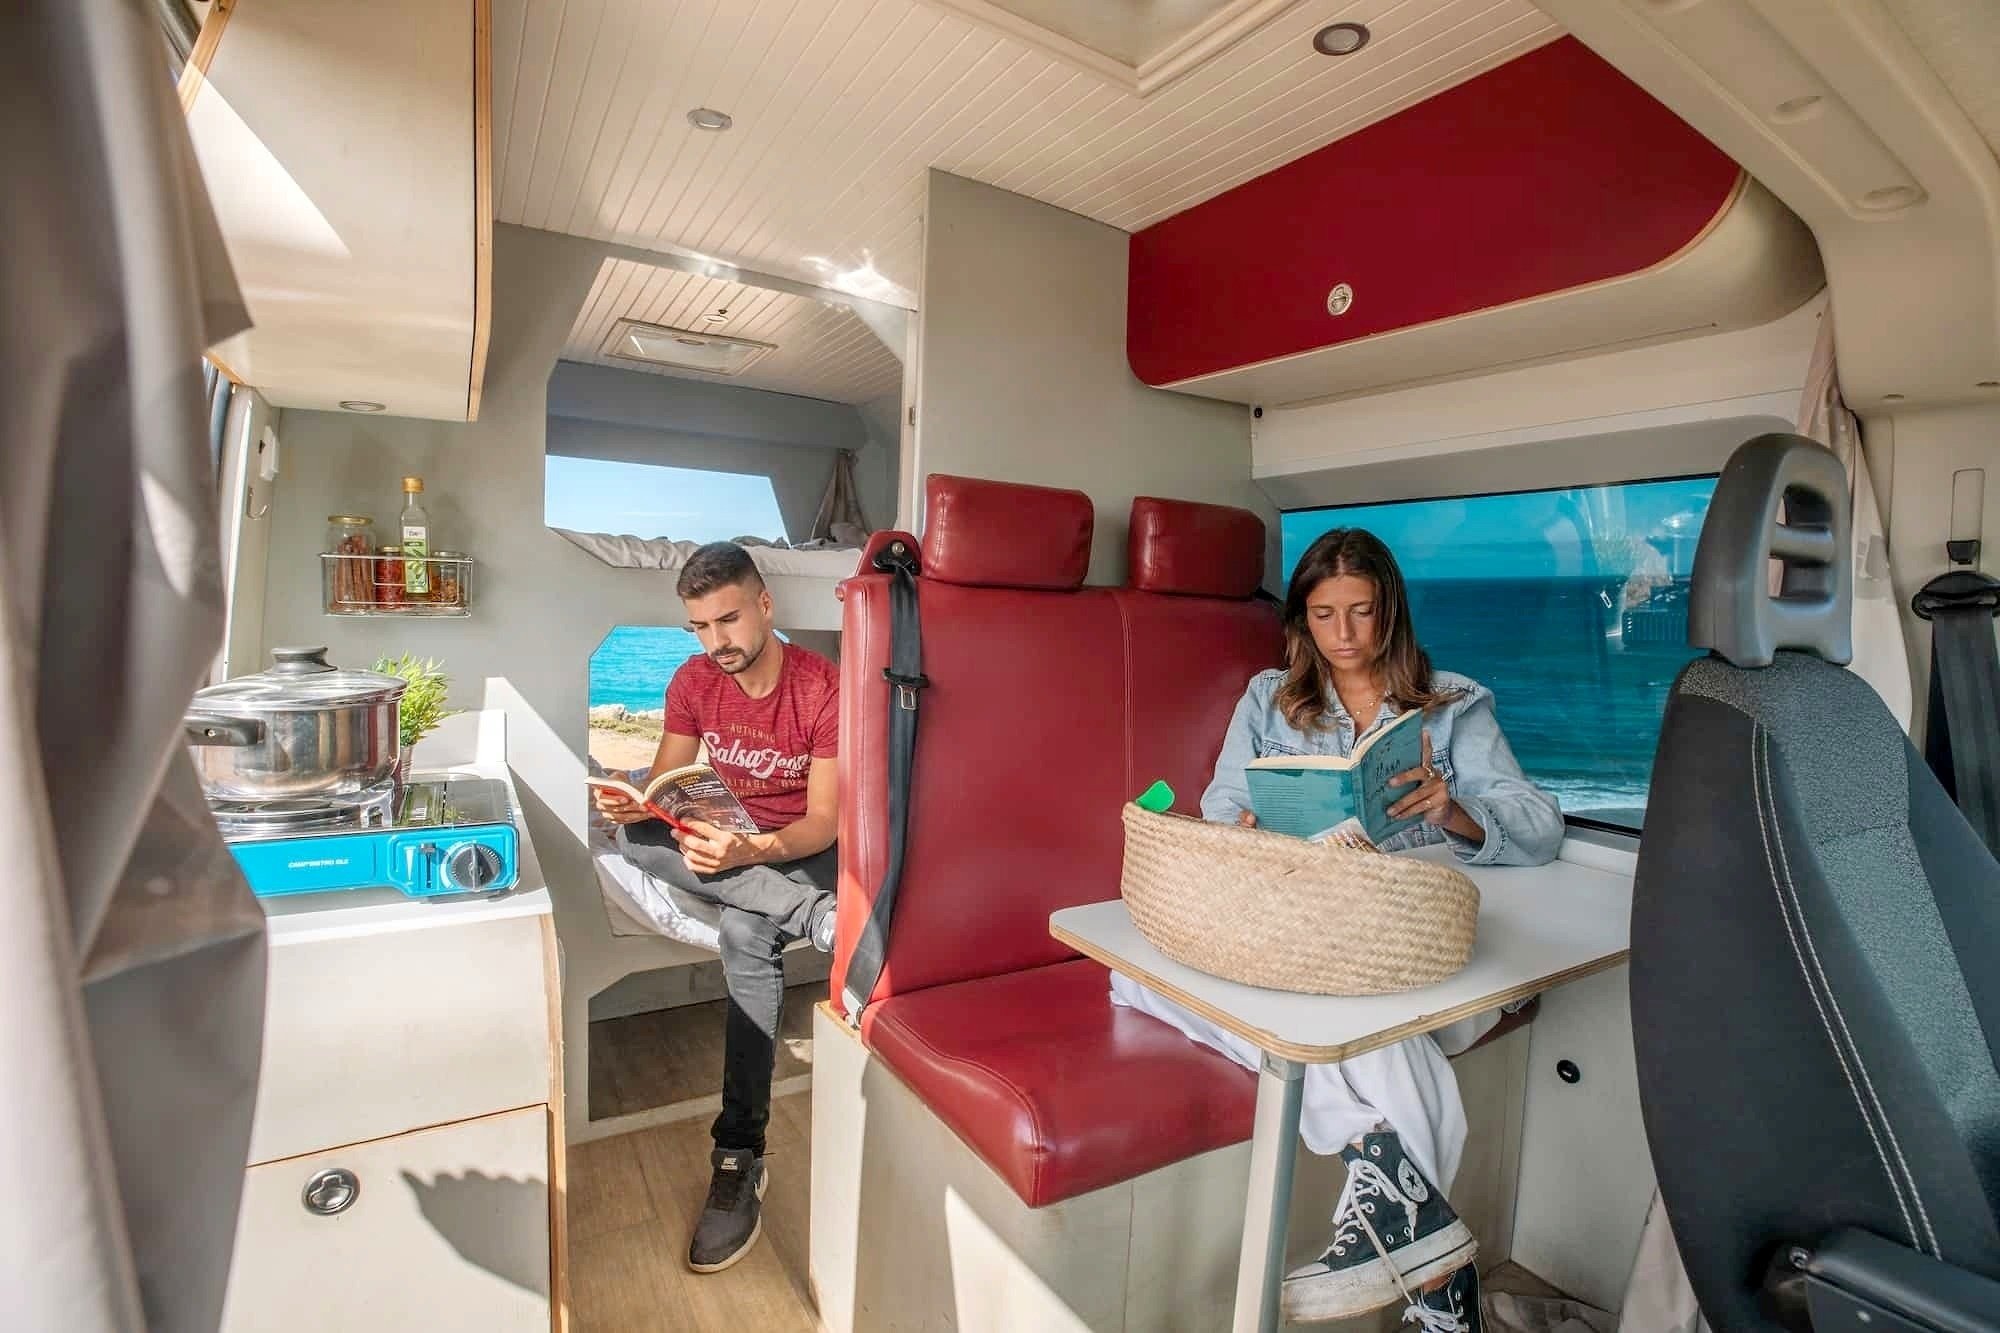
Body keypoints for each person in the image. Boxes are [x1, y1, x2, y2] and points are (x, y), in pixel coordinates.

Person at [1111, 527, 1563, 1332]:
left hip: (1417, 950)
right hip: (1310, 932)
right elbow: (1221, 804)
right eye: (1325, 615)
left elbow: (1540, 824)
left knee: (1357, 1023)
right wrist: (1247, 827)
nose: (1345, 634)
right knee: (1135, 972)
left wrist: (1455, 810)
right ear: (1302, 621)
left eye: (1362, 611)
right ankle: (1426, 1258)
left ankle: (1421, 1259)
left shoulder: (1454, 705)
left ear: (1392, 611)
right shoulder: (1268, 700)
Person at [594, 541, 840, 1274]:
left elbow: (823, 824)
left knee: (743, 929)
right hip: (738, 846)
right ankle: (814, 917)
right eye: (699, 626)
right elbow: (665, 789)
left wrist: (749, 852)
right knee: (634, 837)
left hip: (799, 847)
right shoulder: (693, 680)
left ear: (765, 604)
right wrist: (633, 800)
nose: (715, 642)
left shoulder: (822, 686)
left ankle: (738, 1154)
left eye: (727, 620)